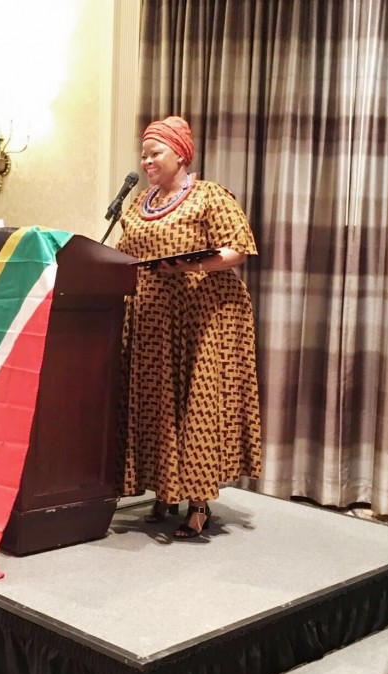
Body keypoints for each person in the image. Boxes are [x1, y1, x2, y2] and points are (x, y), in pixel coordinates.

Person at [115, 115, 262, 539]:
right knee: (158, 405)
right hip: (151, 322)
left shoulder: (209, 196)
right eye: (143, 155)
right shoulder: (138, 204)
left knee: (194, 405)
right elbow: (124, 254)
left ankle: (198, 504)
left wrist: (190, 265)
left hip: (201, 318)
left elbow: (237, 250)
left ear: (180, 154)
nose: (146, 162)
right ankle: (164, 490)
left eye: (155, 153)